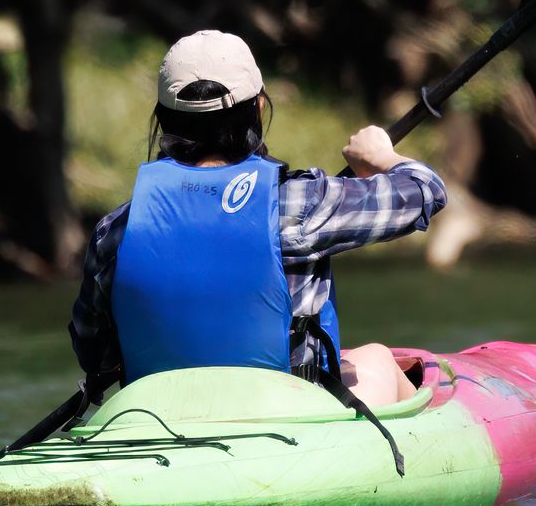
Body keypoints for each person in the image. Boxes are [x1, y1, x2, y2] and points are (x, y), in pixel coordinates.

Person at [69, 29, 446, 413]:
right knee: (375, 358)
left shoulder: (116, 229)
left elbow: (94, 354)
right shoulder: (299, 204)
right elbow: (425, 190)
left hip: (155, 418)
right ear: (259, 108)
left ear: (163, 120)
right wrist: (383, 158)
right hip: (282, 420)